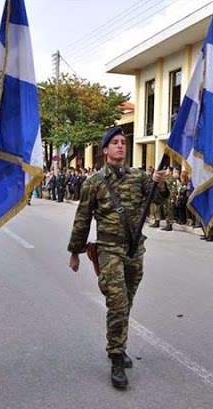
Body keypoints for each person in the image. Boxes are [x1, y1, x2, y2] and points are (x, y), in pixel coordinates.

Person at [67, 127, 168, 389]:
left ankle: (119, 346)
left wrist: (161, 181)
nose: (121, 146)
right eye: (115, 142)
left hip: (134, 250)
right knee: (118, 303)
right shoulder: (94, 182)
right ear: (105, 150)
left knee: (128, 301)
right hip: (109, 250)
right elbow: (82, 218)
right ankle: (115, 357)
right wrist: (75, 253)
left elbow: (160, 199)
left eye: (123, 142)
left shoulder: (139, 177)